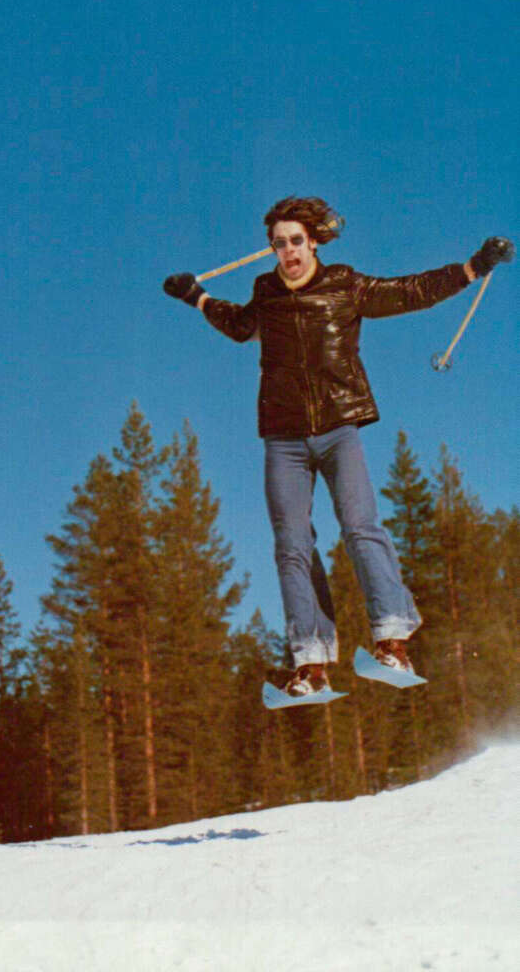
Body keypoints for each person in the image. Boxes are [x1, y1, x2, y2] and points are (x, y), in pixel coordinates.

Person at [162, 196, 514, 696]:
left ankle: (391, 639)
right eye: (279, 244)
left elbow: (410, 292)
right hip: (283, 437)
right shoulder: (266, 292)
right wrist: (195, 297)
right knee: (292, 546)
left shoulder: (344, 284)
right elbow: (240, 326)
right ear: (272, 250)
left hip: (338, 427)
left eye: (296, 242)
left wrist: (475, 266)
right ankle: (311, 662)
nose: (289, 252)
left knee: (359, 525)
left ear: (313, 242)